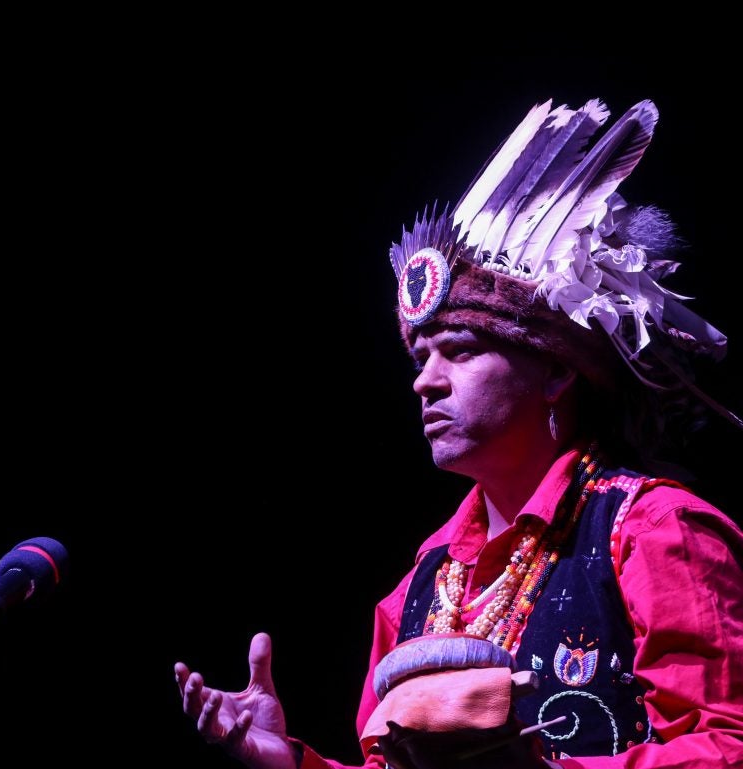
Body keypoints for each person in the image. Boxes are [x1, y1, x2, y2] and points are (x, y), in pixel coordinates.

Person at [174, 97, 743, 768]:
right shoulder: (420, 583)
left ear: (558, 369)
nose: (426, 381)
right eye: (421, 358)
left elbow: (726, 748)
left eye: (462, 351)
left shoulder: (652, 531)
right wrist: (291, 762)